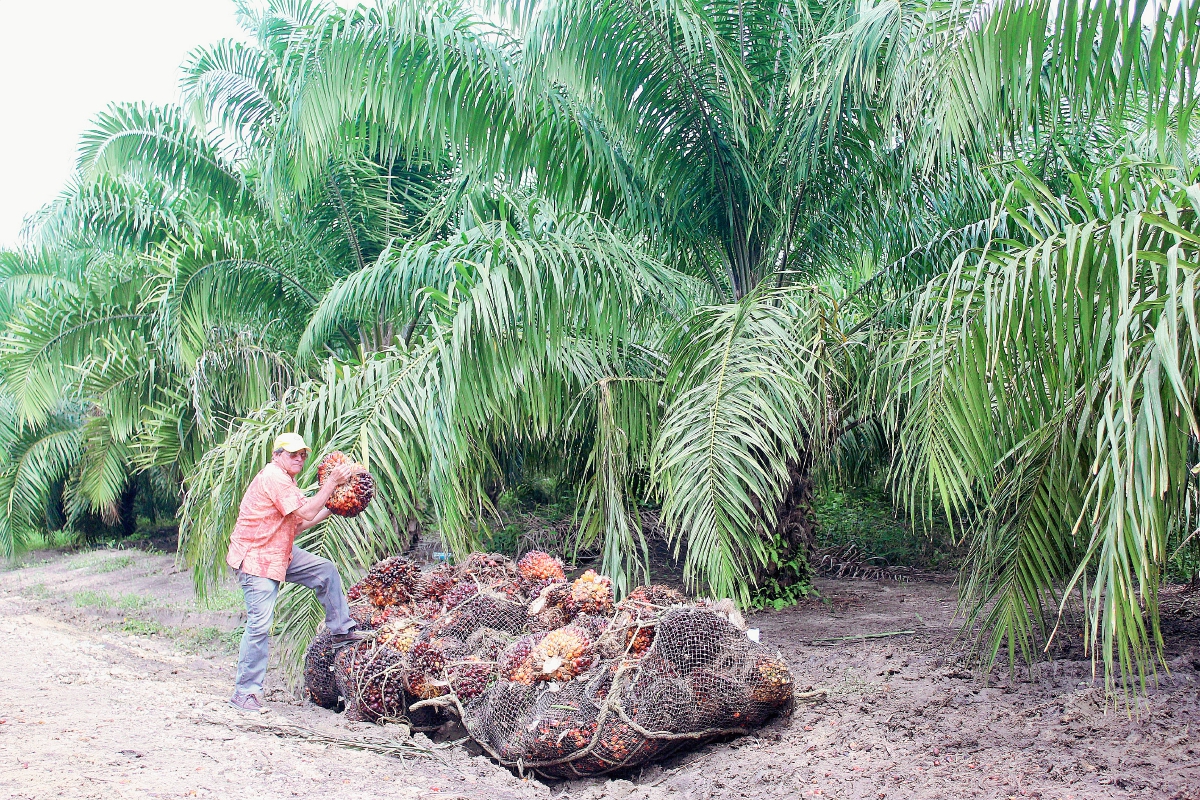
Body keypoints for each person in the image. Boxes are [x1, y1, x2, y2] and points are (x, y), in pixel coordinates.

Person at [226, 432, 366, 712]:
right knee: (260, 625)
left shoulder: (287, 481)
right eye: (293, 454)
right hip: (257, 560)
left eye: (303, 454)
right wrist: (331, 484)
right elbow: (306, 512)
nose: (299, 458)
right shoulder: (274, 477)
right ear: (277, 455)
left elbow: (302, 522)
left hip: (280, 552)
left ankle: (341, 630)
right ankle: (245, 693)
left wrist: (342, 503)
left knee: (325, 571)